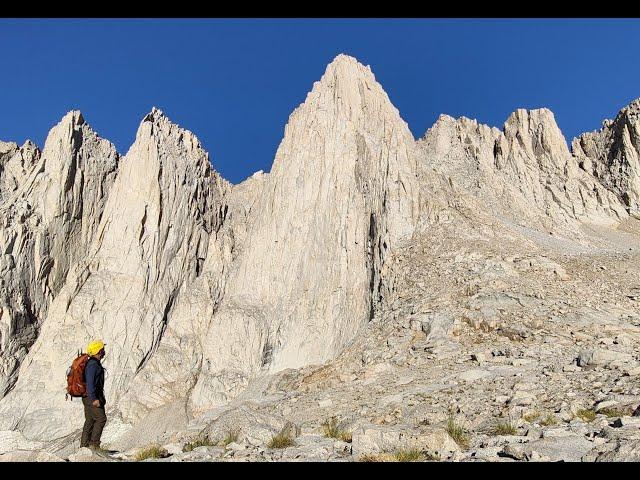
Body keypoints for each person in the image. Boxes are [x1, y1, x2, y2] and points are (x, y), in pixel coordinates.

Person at [80, 340, 107, 450]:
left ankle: (84, 447)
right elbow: (90, 383)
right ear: (99, 351)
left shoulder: (91, 363)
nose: (104, 351)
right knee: (101, 418)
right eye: (102, 349)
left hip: (87, 397)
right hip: (91, 397)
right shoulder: (93, 365)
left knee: (90, 420)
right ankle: (94, 445)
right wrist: (94, 398)